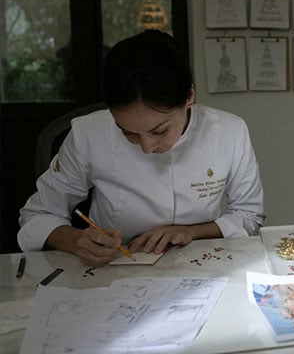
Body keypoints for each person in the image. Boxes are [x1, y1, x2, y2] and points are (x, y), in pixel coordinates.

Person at [18, 30, 264, 266]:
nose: (146, 148)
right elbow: (37, 215)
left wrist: (191, 232)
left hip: (203, 264)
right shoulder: (88, 133)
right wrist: (76, 240)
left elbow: (250, 217)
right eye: (128, 133)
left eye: (159, 131)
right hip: (116, 267)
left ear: (189, 96)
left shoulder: (229, 132)